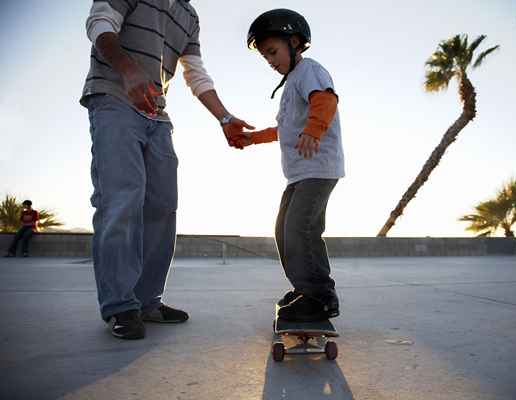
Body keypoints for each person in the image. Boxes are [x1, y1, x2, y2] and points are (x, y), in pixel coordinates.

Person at [81, 0, 253, 340]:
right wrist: (129, 71)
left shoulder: (188, 16)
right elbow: (100, 26)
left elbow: (195, 73)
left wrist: (225, 118)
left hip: (156, 112)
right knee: (121, 199)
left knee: (162, 205)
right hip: (113, 98)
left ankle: (146, 301)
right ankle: (120, 305)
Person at [238, 9, 345, 321]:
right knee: (284, 231)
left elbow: (325, 101)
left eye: (272, 52)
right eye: (265, 57)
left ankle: (320, 296)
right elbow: (284, 130)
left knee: (302, 229)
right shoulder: (291, 84)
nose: (270, 61)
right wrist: (253, 139)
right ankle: (303, 288)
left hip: (319, 168)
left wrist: (314, 130)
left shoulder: (309, 70)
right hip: (298, 174)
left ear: (295, 42)